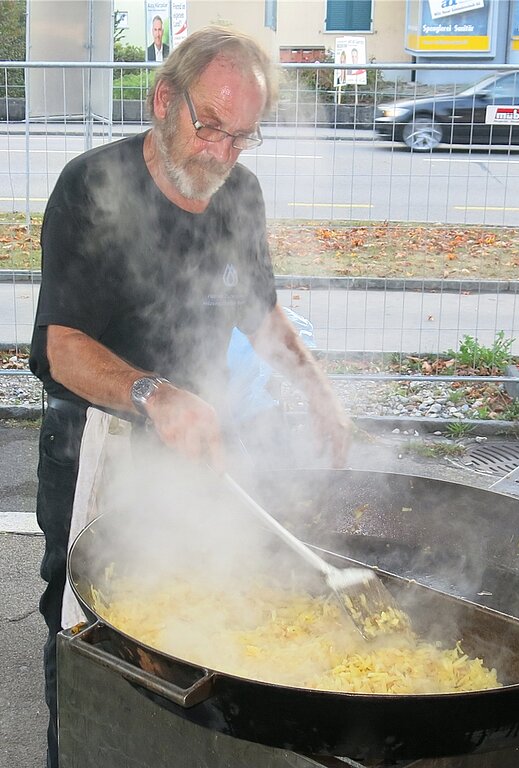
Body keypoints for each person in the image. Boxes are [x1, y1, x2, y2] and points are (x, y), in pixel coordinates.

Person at [29, 25, 350, 768]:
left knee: (203, 611)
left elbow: (262, 312)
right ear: (164, 101)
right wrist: (152, 394)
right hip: (98, 450)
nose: (222, 152)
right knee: (89, 631)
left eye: (243, 137)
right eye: (210, 125)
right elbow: (58, 347)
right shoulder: (91, 186)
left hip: (204, 446)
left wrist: (319, 392)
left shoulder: (241, 194)